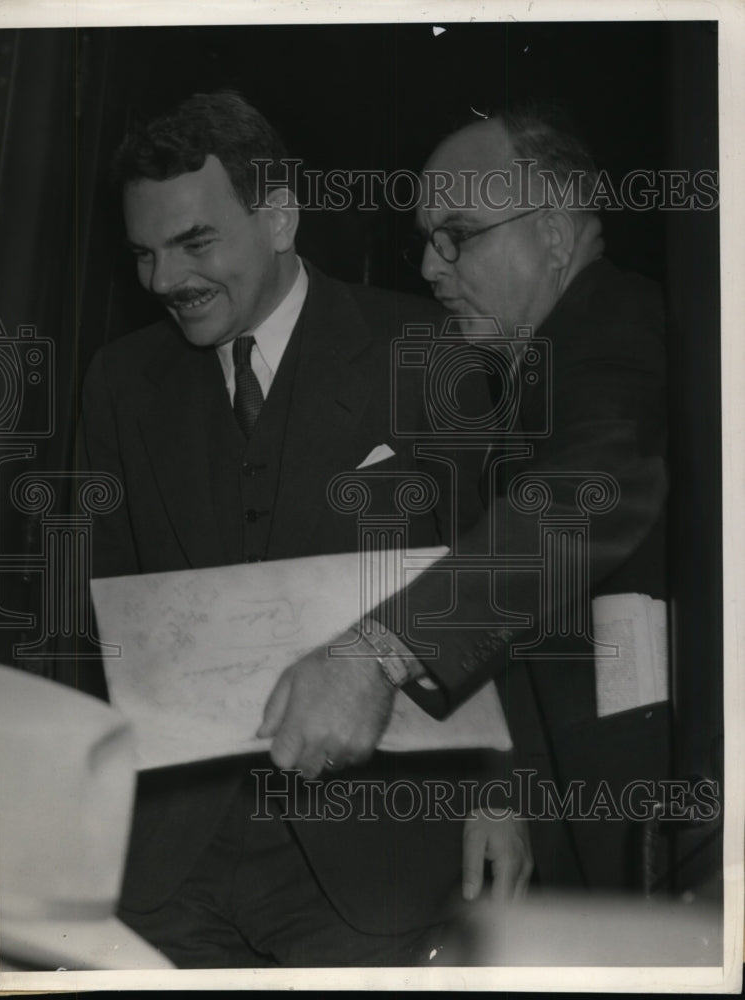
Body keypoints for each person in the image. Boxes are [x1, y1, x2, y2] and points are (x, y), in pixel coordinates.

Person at [78, 89, 512, 968]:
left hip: (374, 861)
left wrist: (503, 796)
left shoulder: (428, 356)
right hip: (168, 867)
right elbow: (91, 622)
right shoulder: (118, 383)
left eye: (195, 243)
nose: (165, 282)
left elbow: (501, 586)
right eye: (145, 255)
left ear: (280, 215)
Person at [283, 105, 669, 891]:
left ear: (556, 233)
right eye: (427, 240)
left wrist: (379, 650)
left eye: (458, 235)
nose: (431, 268)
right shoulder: (534, 373)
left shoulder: (619, 321)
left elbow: (581, 501)